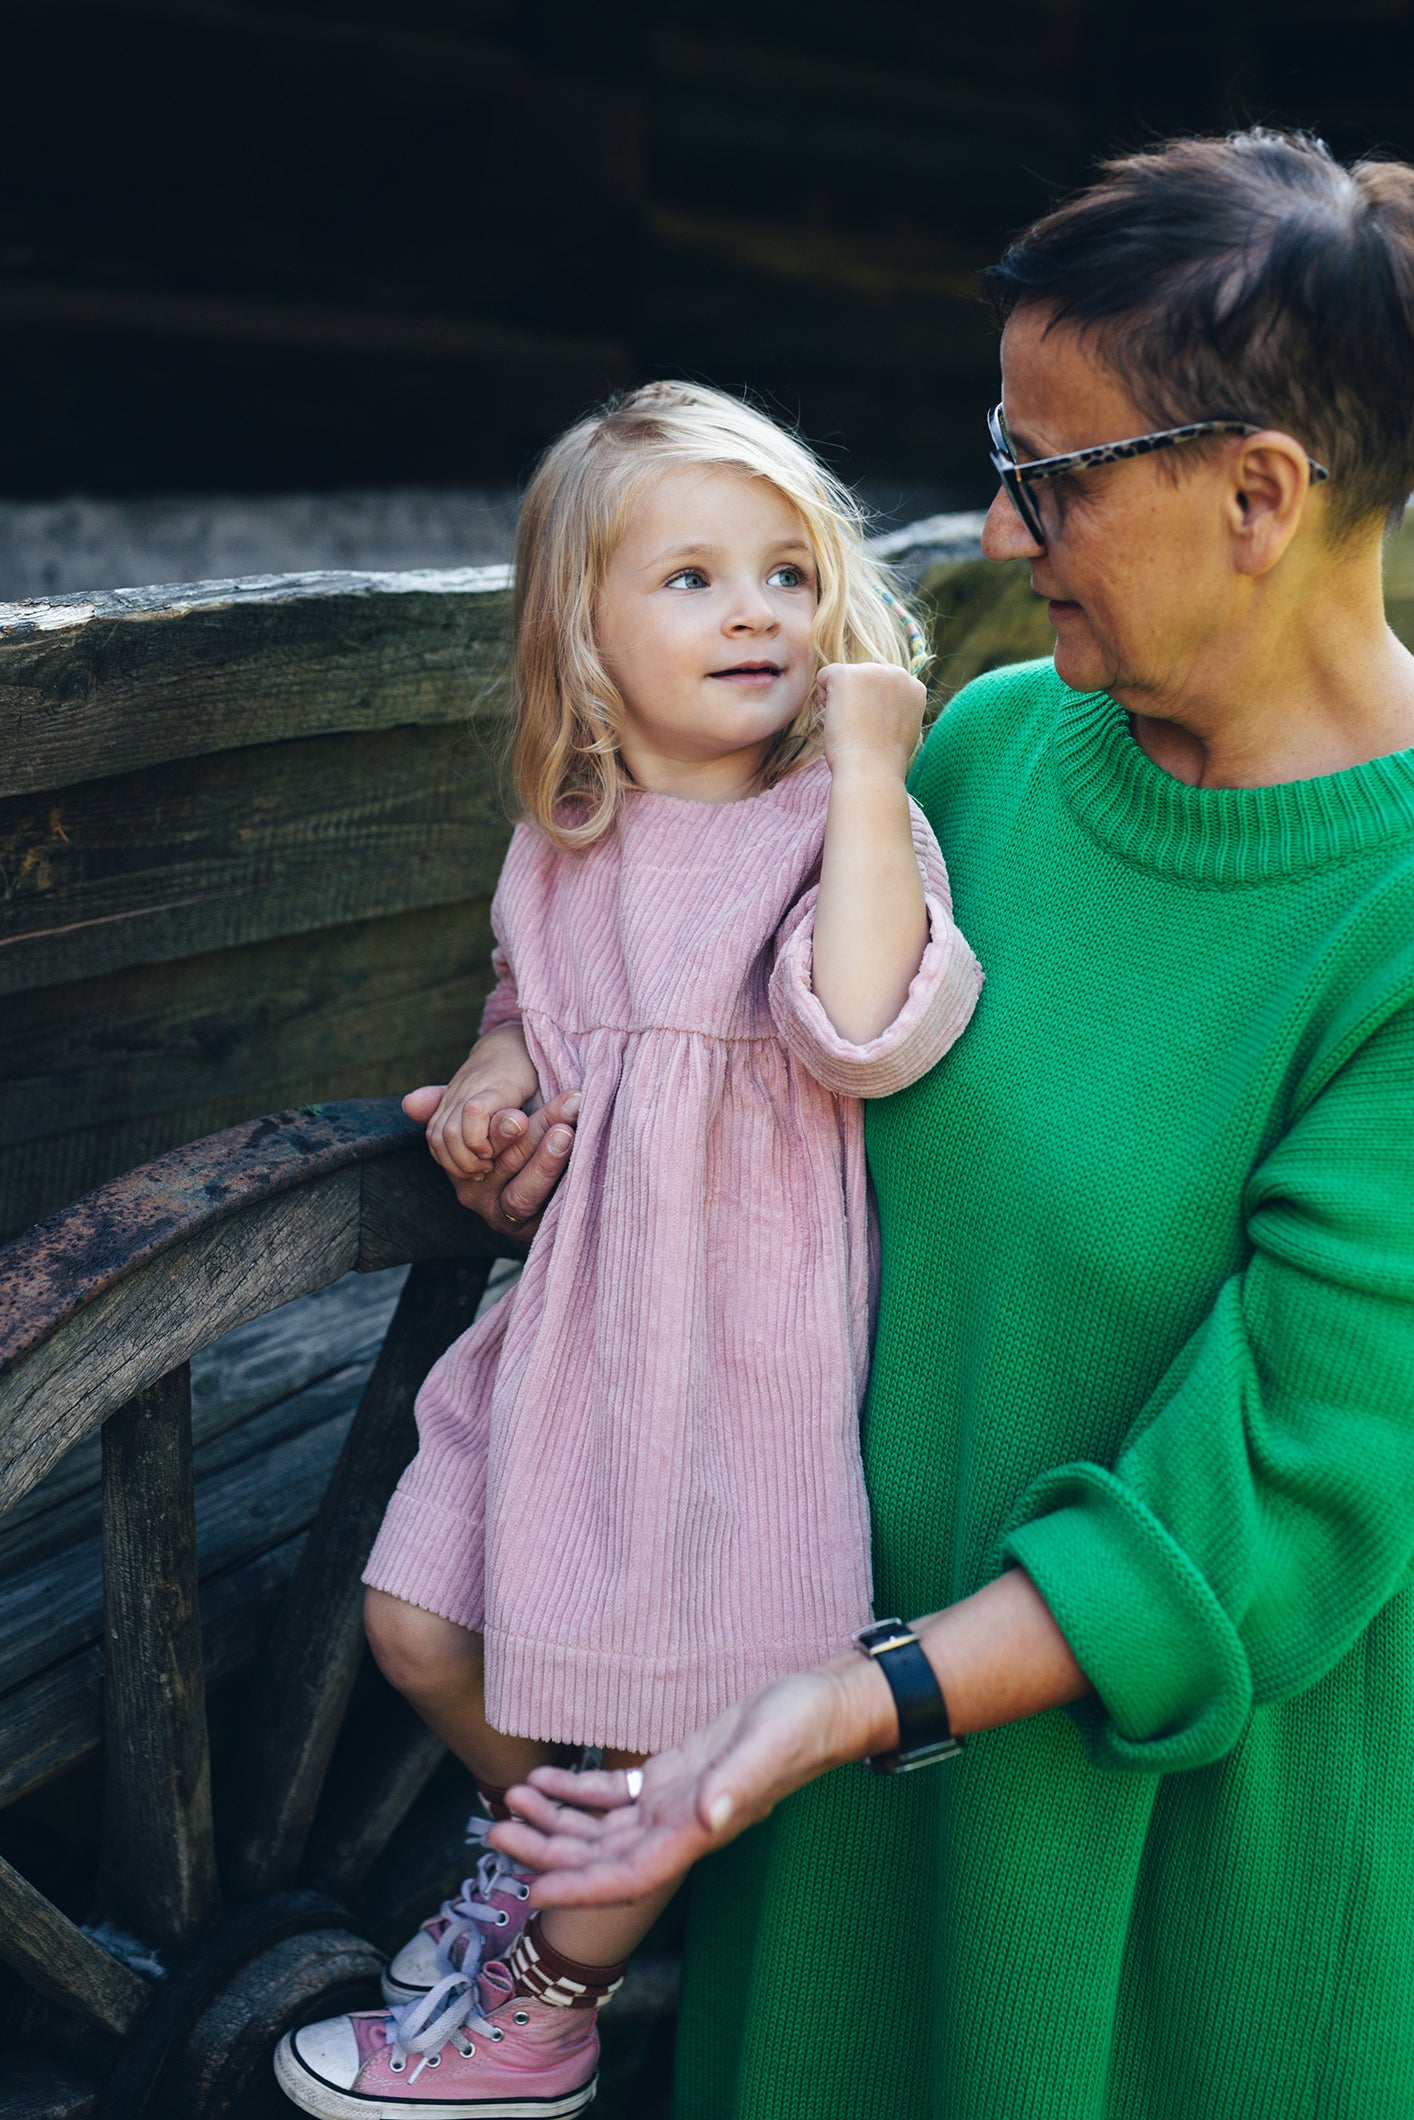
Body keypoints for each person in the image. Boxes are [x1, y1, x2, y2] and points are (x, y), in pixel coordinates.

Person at [484, 131, 1414, 2119]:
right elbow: (724, 1085)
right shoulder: (982, 757)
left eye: (1052, 473)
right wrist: (533, 1104)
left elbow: (1267, 1500)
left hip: (1154, 1879)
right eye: (1003, 452)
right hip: (819, 1818)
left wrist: (851, 1697)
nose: (997, 526)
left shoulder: (1391, 920)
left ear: (1256, 496)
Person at [274, 381, 982, 2117]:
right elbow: (529, 1008)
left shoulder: (833, 825)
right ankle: (549, 1865)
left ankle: (544, 2010)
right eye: (691, 579)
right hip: (573, 1333)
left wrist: (873, 771)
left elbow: (867, 1030)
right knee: (416, 1620)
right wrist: (495, 1082)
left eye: (787, 574)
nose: (755, 613)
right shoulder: (566, 838)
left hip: (739, 1351)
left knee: (679, 1707)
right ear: (581, 641)